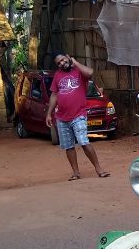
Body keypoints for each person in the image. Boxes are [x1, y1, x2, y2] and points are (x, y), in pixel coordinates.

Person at [45, 52, 109, 181]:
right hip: (61, 117)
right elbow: (54, 95)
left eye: (63, 60)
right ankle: (76, 172)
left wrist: (76, 63)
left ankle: (99, 169)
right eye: (59, 63)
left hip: (78, 114)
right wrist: (49, 114)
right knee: (68, 146)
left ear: (68, 57)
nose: (62, 63)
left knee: (83, 141)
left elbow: (90, 73)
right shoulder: (57, 75)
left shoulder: (79, 72)